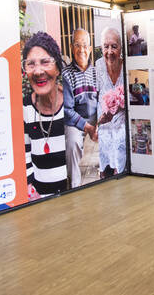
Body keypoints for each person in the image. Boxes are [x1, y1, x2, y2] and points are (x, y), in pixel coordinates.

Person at [22, 31, 66, 198]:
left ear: (58, 68)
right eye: (31, 64)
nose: (38, 71)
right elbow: (25, 153)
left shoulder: (71, 104)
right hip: (40, 200)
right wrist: (30, 188)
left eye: (45, 62)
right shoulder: (25, 108)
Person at [61, 29, 98, 189]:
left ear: (90, 48)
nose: (81, 49)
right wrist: (87, 126)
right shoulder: (66, 75)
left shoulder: (97, 73)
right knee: (72, 142)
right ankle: (74, 185)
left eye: (84, 45)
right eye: (77, 45)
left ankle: (110, 171)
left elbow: (103, 103)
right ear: (71, 47)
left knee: (113, 130)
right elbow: (67, 110)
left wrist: (99, 124)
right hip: (75, 120)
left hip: (96, 117)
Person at [96, 27, 126, 177]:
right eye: (105, 47)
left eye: (114, 46)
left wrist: (119, 107)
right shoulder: (98, 65)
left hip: (122, 117)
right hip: (104, 117)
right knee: (105, 135)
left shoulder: (127, 66)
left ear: (121, 47)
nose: (109, 52)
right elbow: (95, 94)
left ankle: (119, 170)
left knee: (121, 137)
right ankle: (105, 169)